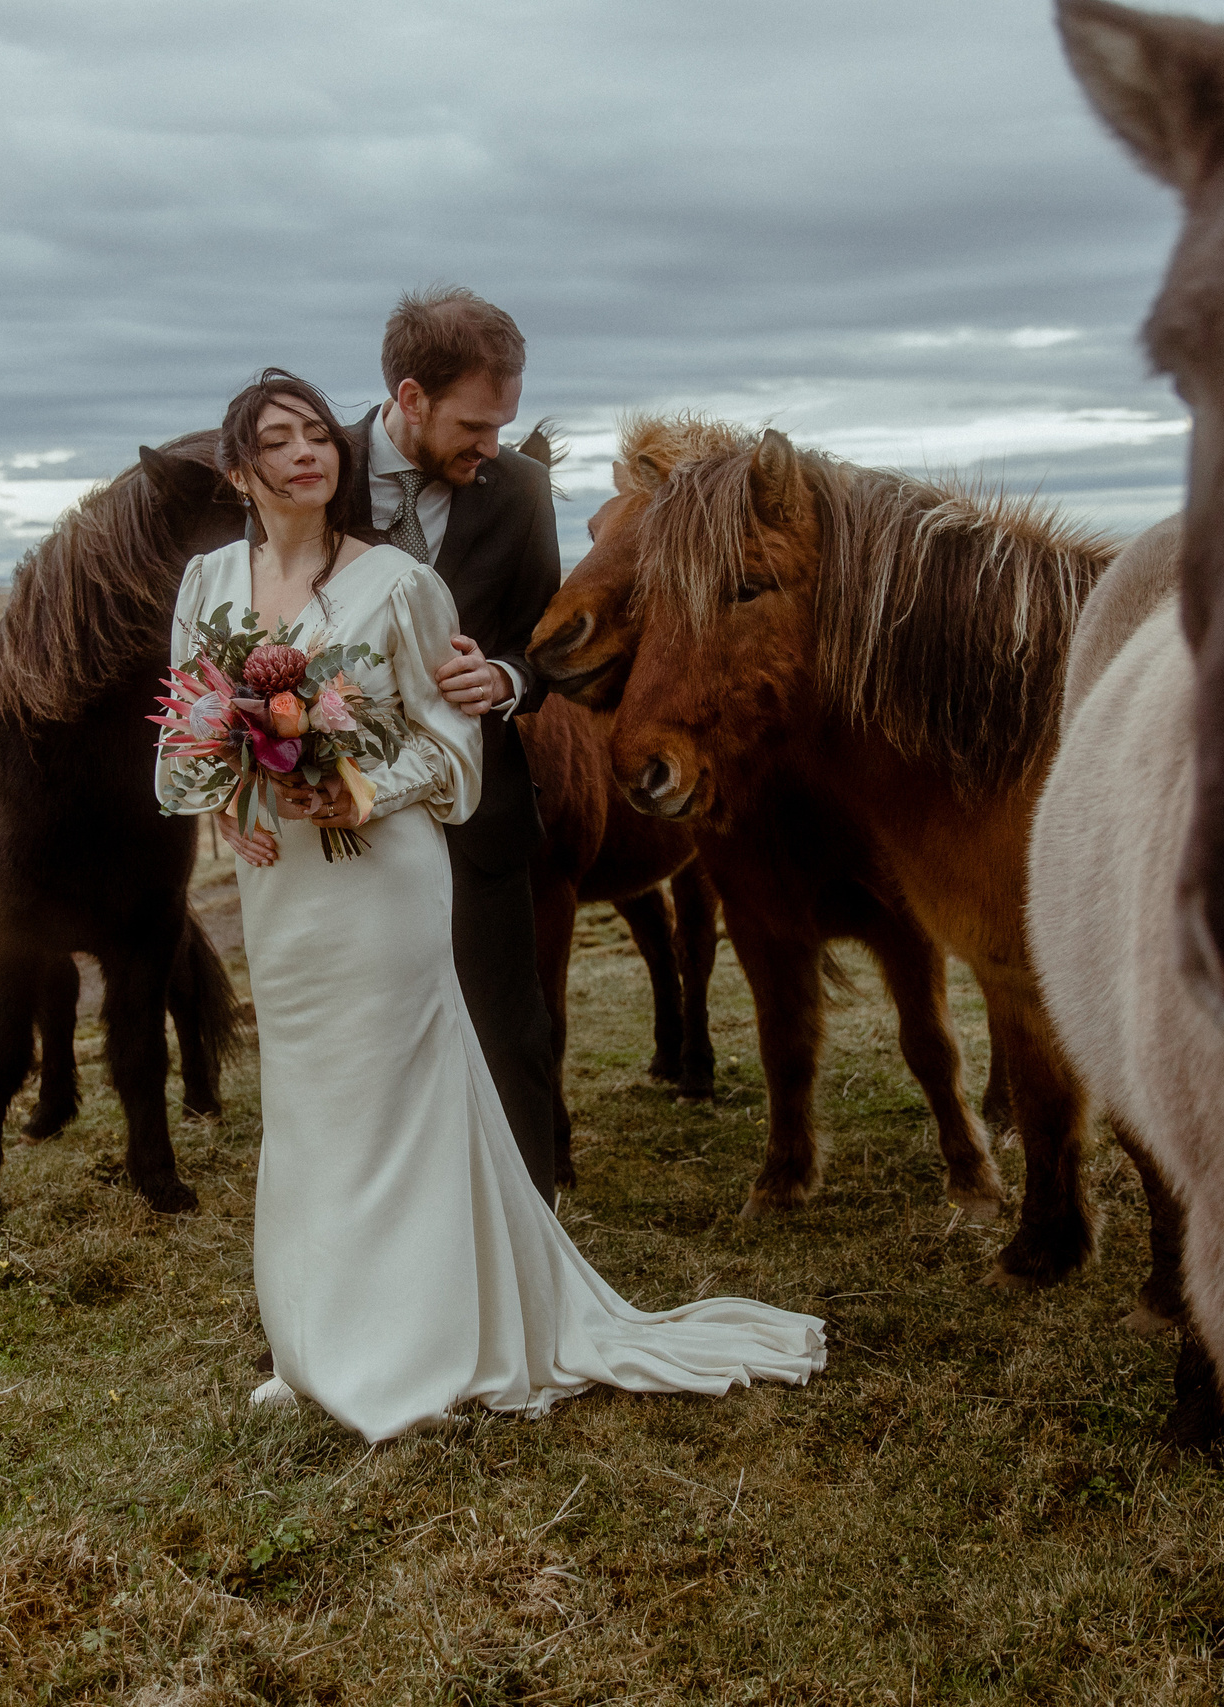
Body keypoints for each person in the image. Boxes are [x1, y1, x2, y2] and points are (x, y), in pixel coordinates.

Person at [156, 369, 824, 1442]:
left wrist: (362, 785)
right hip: (280, 886)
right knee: (313, 1107)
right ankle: (321, 1340)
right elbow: (186, 723)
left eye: (316, 437)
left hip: (384, 876)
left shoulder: (399, 584)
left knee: (400, 1096)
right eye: (275, 443)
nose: (305, 455)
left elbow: (451, 739)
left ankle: (424, 1344)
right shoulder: (207, 584)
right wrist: (223, 797)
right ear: (239, 469)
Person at [219, 287, 563, 1206]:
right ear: (410, 399)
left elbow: (541, 640)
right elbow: (261, 627)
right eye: (476, 424)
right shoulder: (314, 470)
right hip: (344, 834)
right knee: (371, 1035)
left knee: (510, 1028)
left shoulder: (521, 491)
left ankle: (531, 1222)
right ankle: (402, 1219)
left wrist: (506, 678)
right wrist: (242, 779)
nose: (493, 447)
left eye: (503, 426)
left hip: (478, 806)